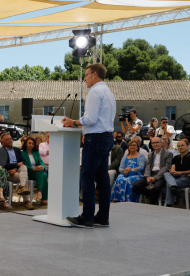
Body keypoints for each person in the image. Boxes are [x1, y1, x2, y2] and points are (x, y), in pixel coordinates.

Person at [61, 63, 116, 228]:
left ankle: (87, 217)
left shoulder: (95, 92)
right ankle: (102, 216)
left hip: (95, 139)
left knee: (87, 177)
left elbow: (90, 119)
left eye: (86, 75)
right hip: (106, 137)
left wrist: (74, 122)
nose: (84, 78)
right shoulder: (108, 92)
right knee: (102, 179)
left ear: (95, 75)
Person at [0, 133, 34, 210]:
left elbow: (22, 161)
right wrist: (16, 165)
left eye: (10, 138)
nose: (10, 140)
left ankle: (22, 187)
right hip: (7, 173)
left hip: (17, 171)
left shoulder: (16, 149)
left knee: (23, 167)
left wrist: (15, 168)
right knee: (24, 177)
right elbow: (2, 164)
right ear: (2, 142)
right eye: (7, 139)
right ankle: (26, 201)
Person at [132, 137, 173, 205]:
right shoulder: (150, 154)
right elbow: (147, 166)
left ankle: (152, 205)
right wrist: (148, 176)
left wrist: (155, 178)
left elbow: (166, 167)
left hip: (161, 175)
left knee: (156, 188)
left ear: (161, 143)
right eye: (153, 143)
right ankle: (151, 195)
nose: (155, 144)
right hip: (151, 174)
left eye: (157, 142)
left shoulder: (168, 154)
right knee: (136, 186)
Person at [21, 137, 48, 204]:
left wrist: (42, 166)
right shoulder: (22, 153)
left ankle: (39, 192)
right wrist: (33, 169)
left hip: (37, 172)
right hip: (28, 173)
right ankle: (43, 198)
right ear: (26, 144)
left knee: (44, 174)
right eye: (29, 143)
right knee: (44, 175)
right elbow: (23, 165)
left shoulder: (36, 152)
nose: (31, 145)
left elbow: (40, 161)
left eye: (33, 144)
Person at [164, 140, 190, 207]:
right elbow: (173, 167)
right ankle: (173, 187)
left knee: (168, 184)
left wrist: (180, 173)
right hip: (176, 176)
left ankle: (169, 204)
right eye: (178, 146)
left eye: (182, 145)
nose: (180, 147)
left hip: (186, 178)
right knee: (166, 174)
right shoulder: (176, 157)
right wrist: (172, 171)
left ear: (188, 146)